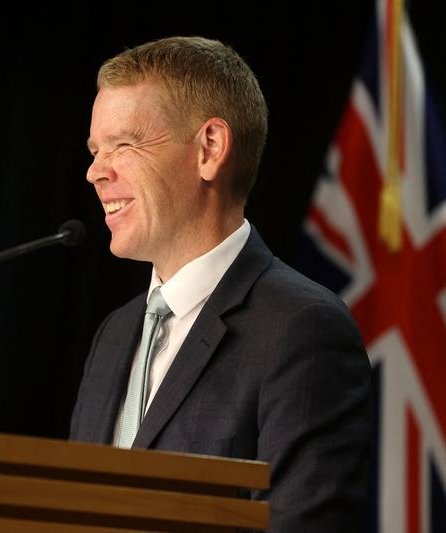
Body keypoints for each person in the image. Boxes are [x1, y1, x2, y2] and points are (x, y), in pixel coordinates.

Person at [70, 36, 371, 532]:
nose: (95, 172)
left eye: (123, 144)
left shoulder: (303, 330)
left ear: (209, 149)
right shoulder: (115, 335)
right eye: (96, 150)